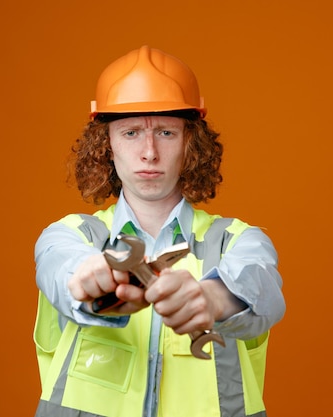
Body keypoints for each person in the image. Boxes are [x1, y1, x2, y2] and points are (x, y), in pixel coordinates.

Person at [33, 45, 286, 417]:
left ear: (190, 145)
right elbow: (61, 267)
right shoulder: (70, 236)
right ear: (107, 147)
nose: (149, 152)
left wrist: (212, 299)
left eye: (166, 132)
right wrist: (91, 283)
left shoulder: (238, 240)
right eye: (131, 132)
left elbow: (263, 288)